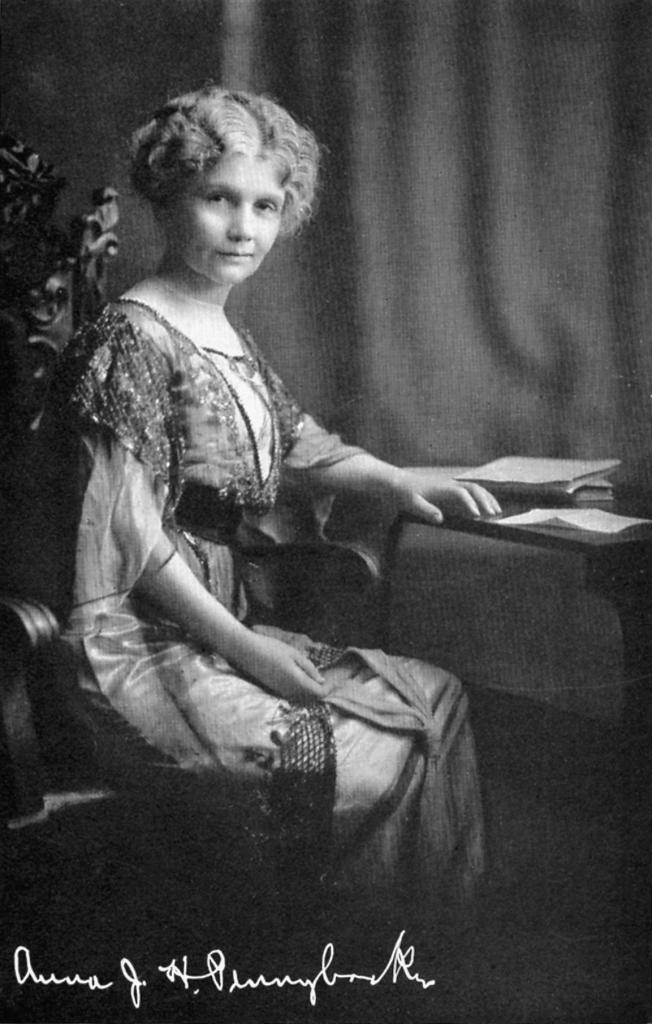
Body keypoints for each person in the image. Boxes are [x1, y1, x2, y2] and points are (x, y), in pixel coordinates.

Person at [56, 86, 500, 919]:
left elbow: (298, 442)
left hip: (221, 623)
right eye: (218, 198)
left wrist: (399, 480)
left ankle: (422, 962)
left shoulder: (222, 330)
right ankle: (323, 956)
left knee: (436, 699)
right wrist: (252, 654)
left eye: (265, 205)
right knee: (353, 756)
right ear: (168, 196)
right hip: (137, 638)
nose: (243, 227)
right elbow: (129, 534)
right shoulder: (128, 337)